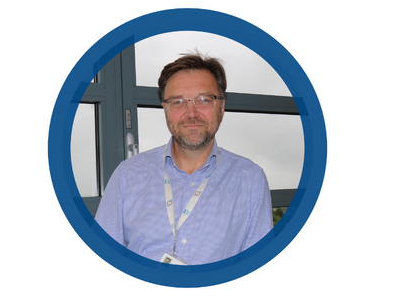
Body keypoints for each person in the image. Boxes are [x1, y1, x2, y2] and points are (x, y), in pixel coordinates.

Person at [95, 52, 273, 265]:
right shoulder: (127, 175)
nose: (191, 113)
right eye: (178, 101)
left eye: (204, 100)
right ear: (165, 109)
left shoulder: (251, 180)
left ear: (222, 107)